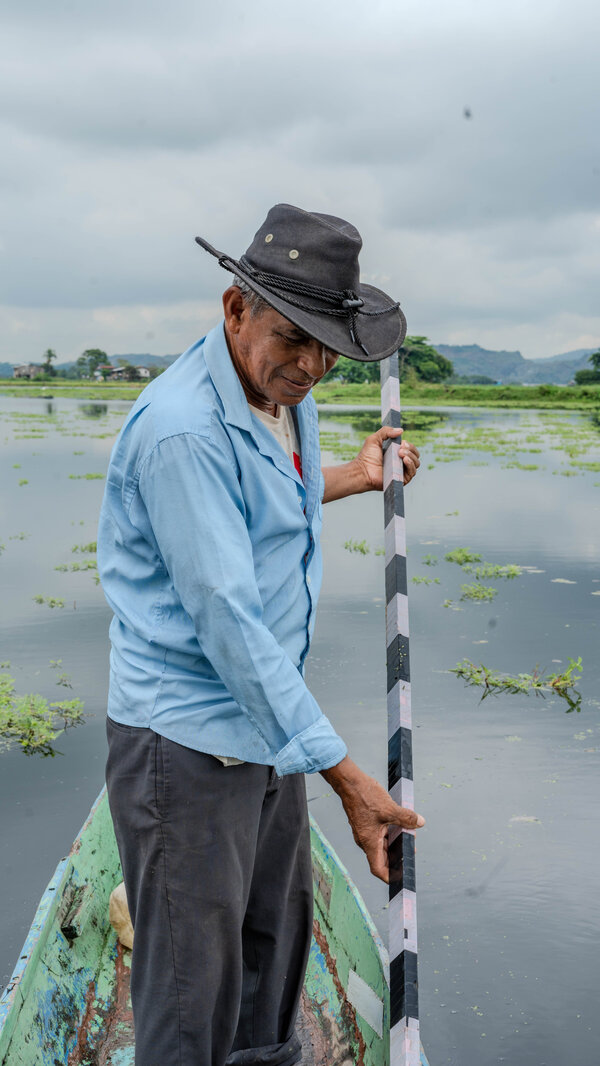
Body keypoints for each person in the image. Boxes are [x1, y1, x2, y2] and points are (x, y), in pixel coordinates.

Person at [98, 203, 425, 1066]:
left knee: (272, 964)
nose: (310, 366)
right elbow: (230, 626)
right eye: (293, 338)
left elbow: (270, 492)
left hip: (268, 736)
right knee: (186, 1001)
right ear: (233, 307)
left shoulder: (277, 392)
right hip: (187, 744)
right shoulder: (184, 432)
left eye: (327, 349)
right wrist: (348, 777)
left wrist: (355, 474)